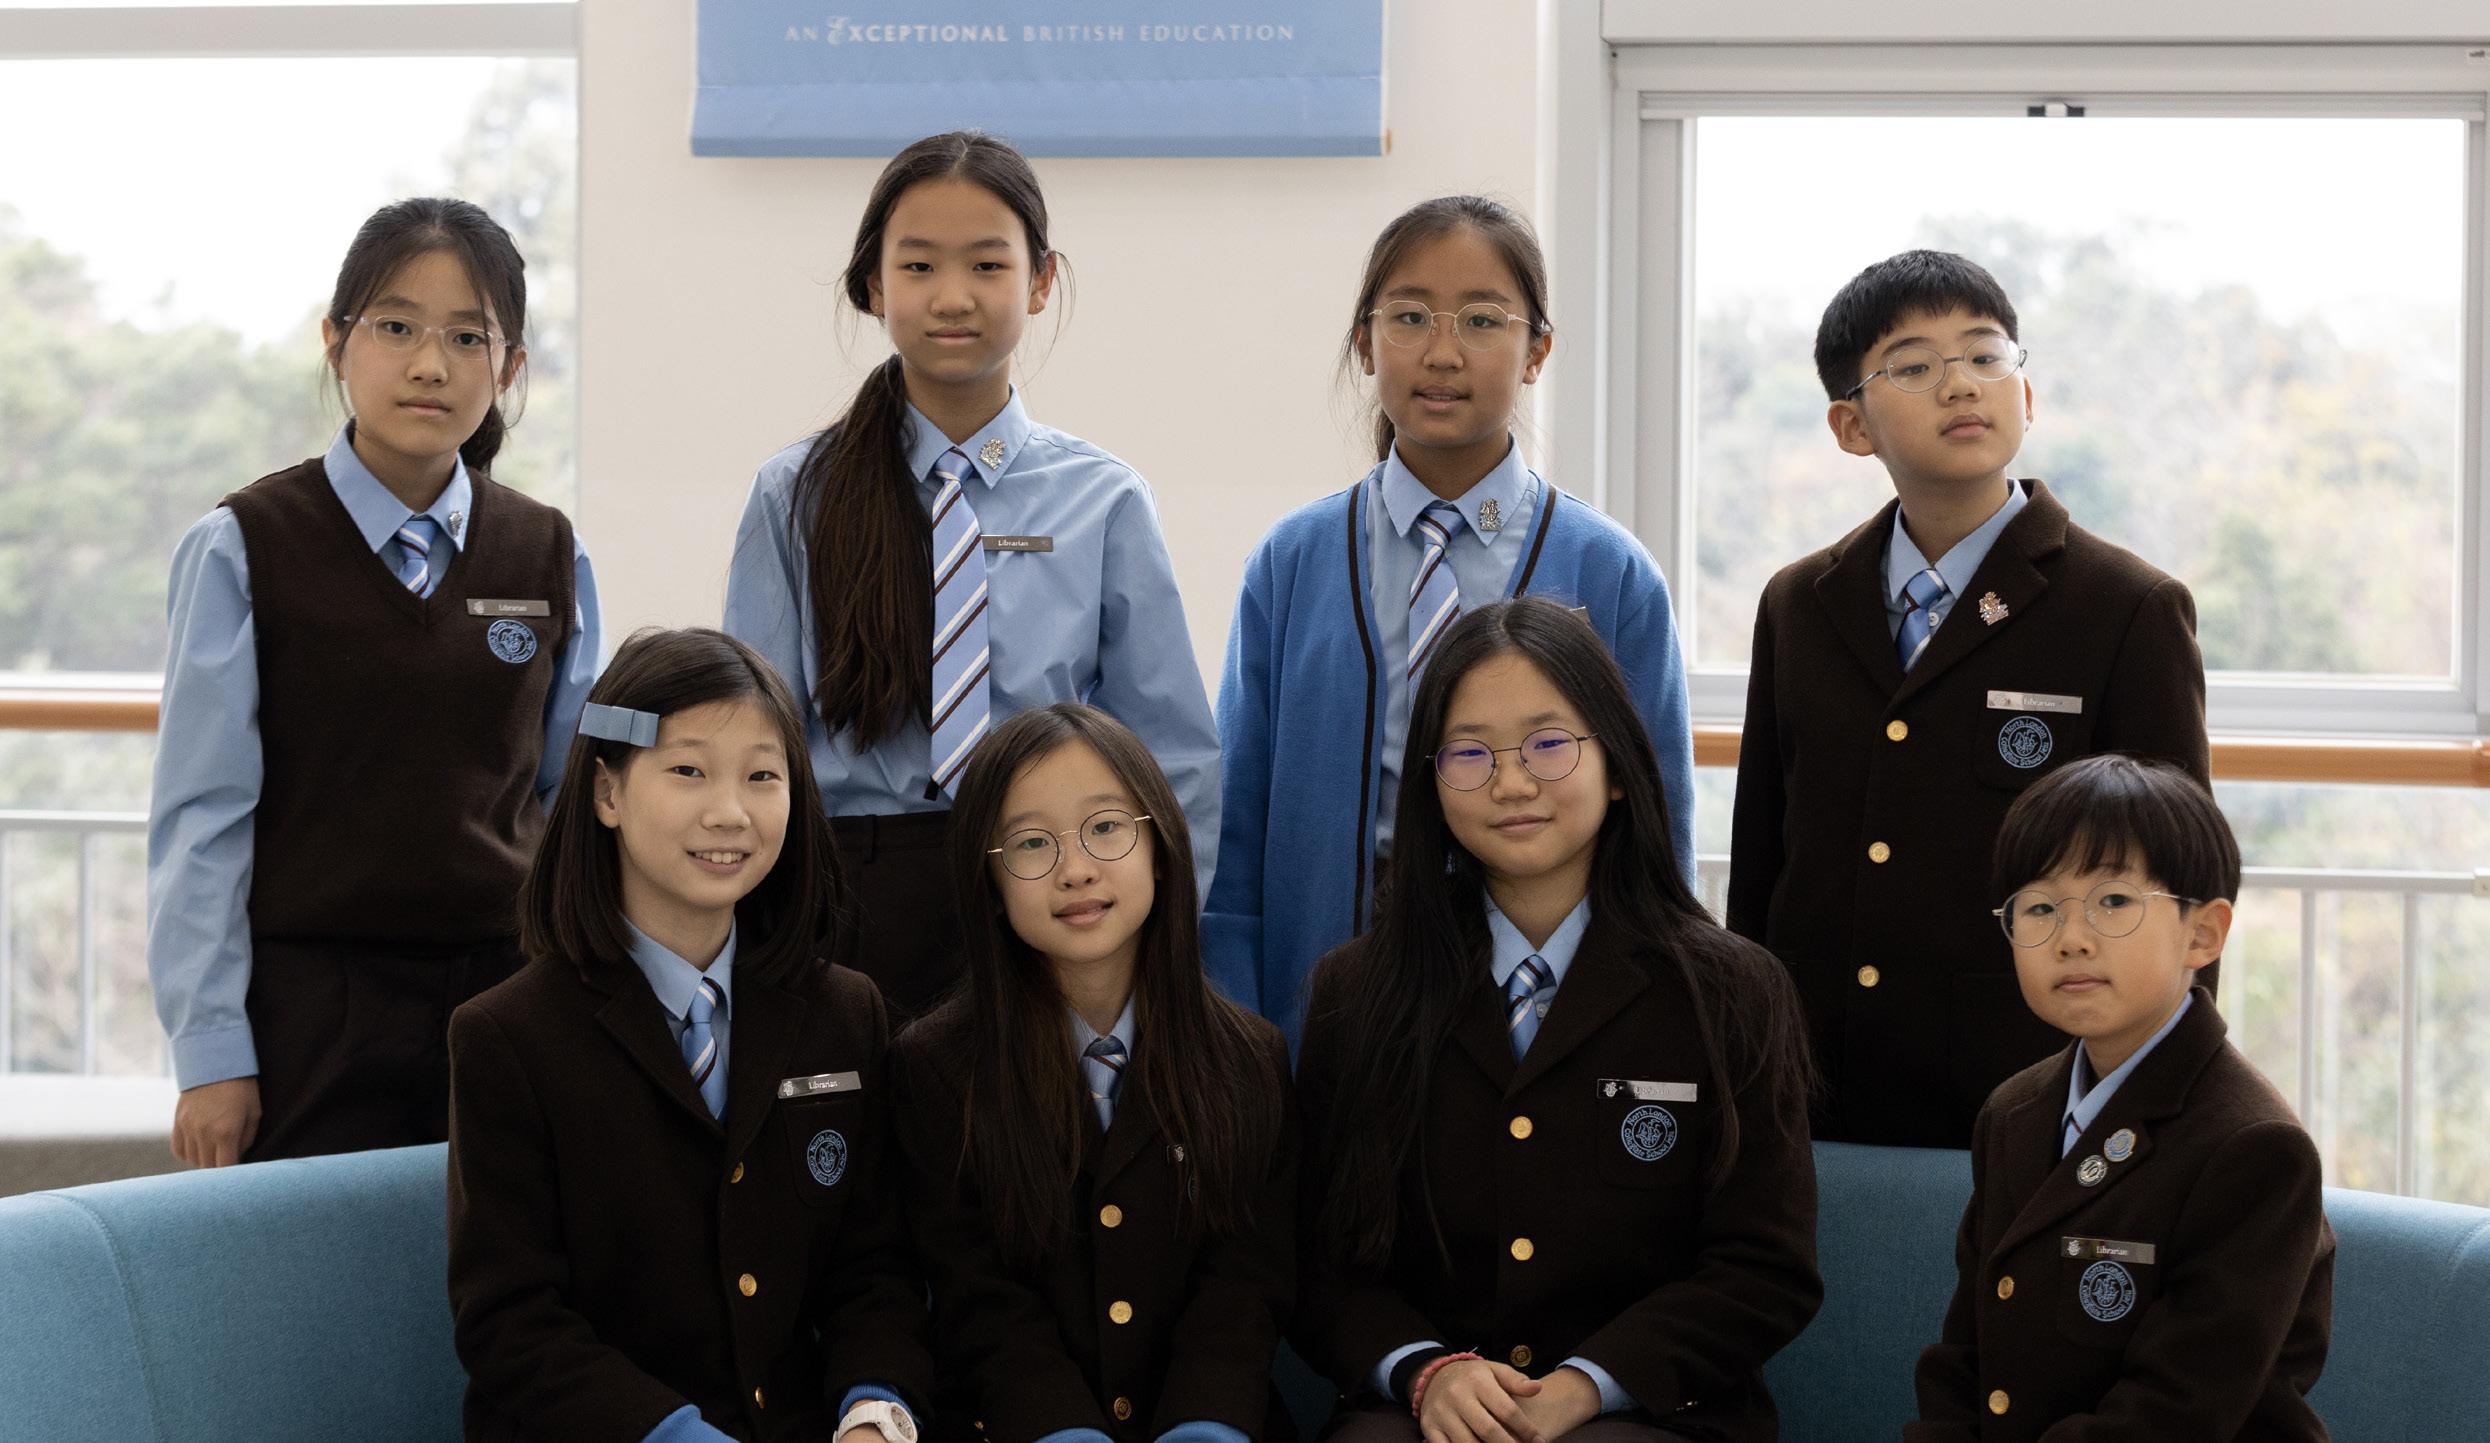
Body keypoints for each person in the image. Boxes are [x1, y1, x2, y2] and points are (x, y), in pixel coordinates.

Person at [726, 130, 1219, 1022]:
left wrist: (1162, 944)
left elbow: (1171, 753)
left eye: (988, 265)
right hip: (852, 899)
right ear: (874, 285)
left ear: (1041, 280)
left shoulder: (1104, 499)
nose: (952, 297)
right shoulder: (795, 494)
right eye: (918, 266)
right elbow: (757, 743)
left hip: (1049, 885)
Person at [147, 196, 601, 1166]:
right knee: (305, 1262)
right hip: (309, 1013)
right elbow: (202, 819)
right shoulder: (243, 547)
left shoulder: (548, 553)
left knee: (502, 1262)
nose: (430, 364)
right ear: (337, 342)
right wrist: (211, 1053)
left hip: (509, 1003)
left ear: (509, 369)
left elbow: (574, 802)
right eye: (396, 327)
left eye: (468, 337)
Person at [1296, 599, 1817, 1443]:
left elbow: (1764, 1270)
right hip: (1423, 1415)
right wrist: (1427, 1371)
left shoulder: (1733, 992)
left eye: (1548, 743)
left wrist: (1587, 1384)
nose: (1511, 782)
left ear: (1617, 766)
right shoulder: (1357, 992)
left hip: (1652, 1415)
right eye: (1470, 752)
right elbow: (1321, 1264)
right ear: (1431, 782)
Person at [1728, 248, 2210, 1147]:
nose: (1961, 384)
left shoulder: (2125, 608)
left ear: (2025, 393)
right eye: (1914, 366)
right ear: (1851, 425)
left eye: (1986, 356)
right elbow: (1761, 865)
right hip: (1816, 1086)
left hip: (2028, 1094)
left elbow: (2181, 881)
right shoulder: (1798, 604)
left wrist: (2164, 1113)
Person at [1208, 196, 1693, 1048]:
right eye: (1409, 317)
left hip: (1552, 1006)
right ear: (1365, 343)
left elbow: (1660, 832)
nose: (1442, 352)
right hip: (1325, 996)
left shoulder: (1611, 572)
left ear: (1537, 351)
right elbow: (1235, 830)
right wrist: (1243, 1037)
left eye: (1481, 319)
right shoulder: (1291, 563)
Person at [448, 627, 929, 1443]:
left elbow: (876, 1273)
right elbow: (513, 1324)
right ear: (607, 792)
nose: (729, 812)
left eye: (763, 775)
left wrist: (872, 1412)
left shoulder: (847, 1014)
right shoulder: (506, 1036)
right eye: (688, 770)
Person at [892, 703, 1295, 1443]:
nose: (1075, 869)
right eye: (1031, 842)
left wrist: (1203, 1430)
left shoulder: (1250, 1059)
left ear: (1161, 846)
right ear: (989, 882)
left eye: (1106, 827)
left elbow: (1242, 1292)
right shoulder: (936, 1068)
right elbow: (981, 1302)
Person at [1909, 753, 2330, 1440]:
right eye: (2039, 908)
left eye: (2112, 902)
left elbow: (2174, 1412)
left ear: (2203, 933)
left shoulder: (2255, 1147)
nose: (2071, 939)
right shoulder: (2012, 1112)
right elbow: (1964, 1359)